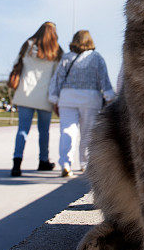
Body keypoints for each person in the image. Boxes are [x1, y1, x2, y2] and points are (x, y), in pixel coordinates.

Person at [49, 30, 114, 177]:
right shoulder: (96, 58)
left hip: (67, 98)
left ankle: (65, 164)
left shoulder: (66, 57)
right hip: (90, 99)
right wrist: (109, 97)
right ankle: (85, 164)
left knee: (67, 131)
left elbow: (57, 79)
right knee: (87, 134)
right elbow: (103, 80)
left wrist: (54, 99)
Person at [8, 21, 63, 177]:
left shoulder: (28, 44)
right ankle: (43, 160)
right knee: (44, 131)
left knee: (22, 130)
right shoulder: (56, 50)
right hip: (44, 96)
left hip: (25, 93)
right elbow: (56, 75)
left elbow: (17, 63)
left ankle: (16, 164)